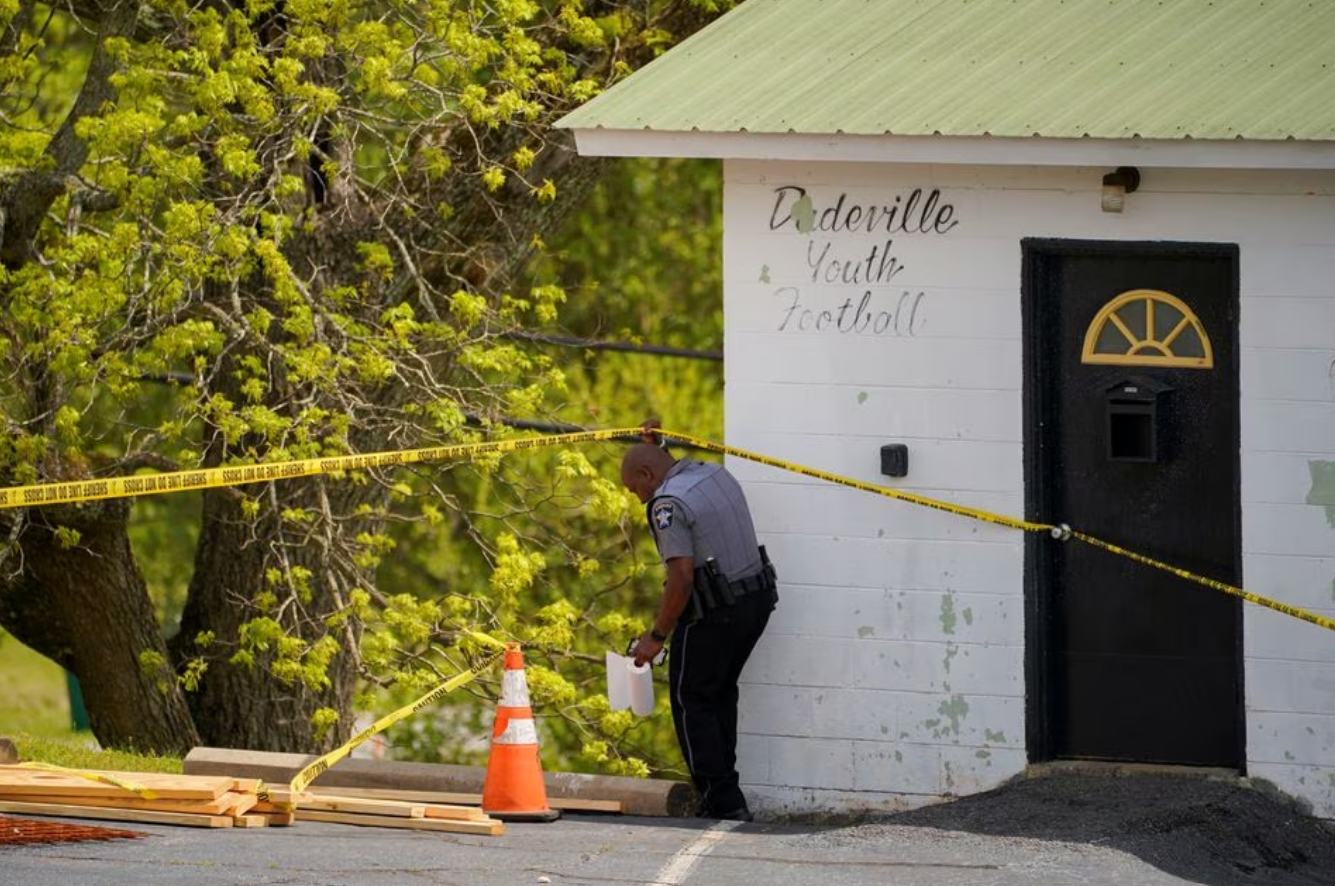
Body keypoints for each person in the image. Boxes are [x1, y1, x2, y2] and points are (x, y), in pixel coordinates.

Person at [620, 426, 778, 822]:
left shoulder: (667, 504)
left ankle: (721, 801)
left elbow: (682, 578)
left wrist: (657, 636)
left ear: (647, 476)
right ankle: (729, 795)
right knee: (720, 692)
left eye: (633, 488)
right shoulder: (714, 474)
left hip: (714, 613)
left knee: (693, 701)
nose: (637, 497)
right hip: (756, 601)